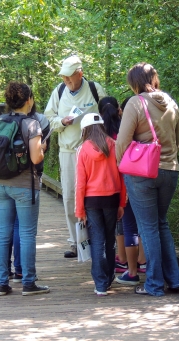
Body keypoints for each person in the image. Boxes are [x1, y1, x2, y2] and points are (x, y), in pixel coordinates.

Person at [116, 62, 179, 296]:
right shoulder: (171, 103)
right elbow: (177, 139)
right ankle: (174, 279)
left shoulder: (136, 103)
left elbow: (123, 141)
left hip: (142, 172)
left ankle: (154, 284)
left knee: (148, 227)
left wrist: (120, 164)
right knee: (161, 223)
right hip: (170, 170)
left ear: (134, 83)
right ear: (154, 78)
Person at [44, 55, 107, 258]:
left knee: (96, 196)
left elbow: (109, 115)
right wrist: (62, 122)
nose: (67, 82)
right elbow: (48, 118)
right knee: (71, 196)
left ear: (80, 73)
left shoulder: (95, 89)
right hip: (69, 151)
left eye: (70, 78)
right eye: (64, 78)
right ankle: (76, 241)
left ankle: (99, 240)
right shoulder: (59, 91)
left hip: (95, 152)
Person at [0, 81, 49, 296]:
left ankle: (2, 283)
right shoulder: (32, 124)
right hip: (25, 186)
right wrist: (42, 148)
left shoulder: (0, 122)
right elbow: (36, 158)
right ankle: (28, 283)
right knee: (26, 234)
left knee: (2, 234)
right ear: (29, 100)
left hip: (0, 186)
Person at [75, 113, 126, 296]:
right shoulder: (113, 145)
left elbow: (80, 183)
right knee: (110, 239)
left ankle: (100, 284)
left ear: (85, 129)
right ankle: (109, 276)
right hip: (112, 199)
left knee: (97, 240)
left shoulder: (83, 149)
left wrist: (79, 209)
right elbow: (122, 176)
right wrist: (122, 202)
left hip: (92, 201)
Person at [98, 96, 146, 284]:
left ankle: (127, 265)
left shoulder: (102, 136)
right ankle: (143, 261)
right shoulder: (131, 131)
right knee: (143, 225)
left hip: (118, 186)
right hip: (140, 180)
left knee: (126, 227)